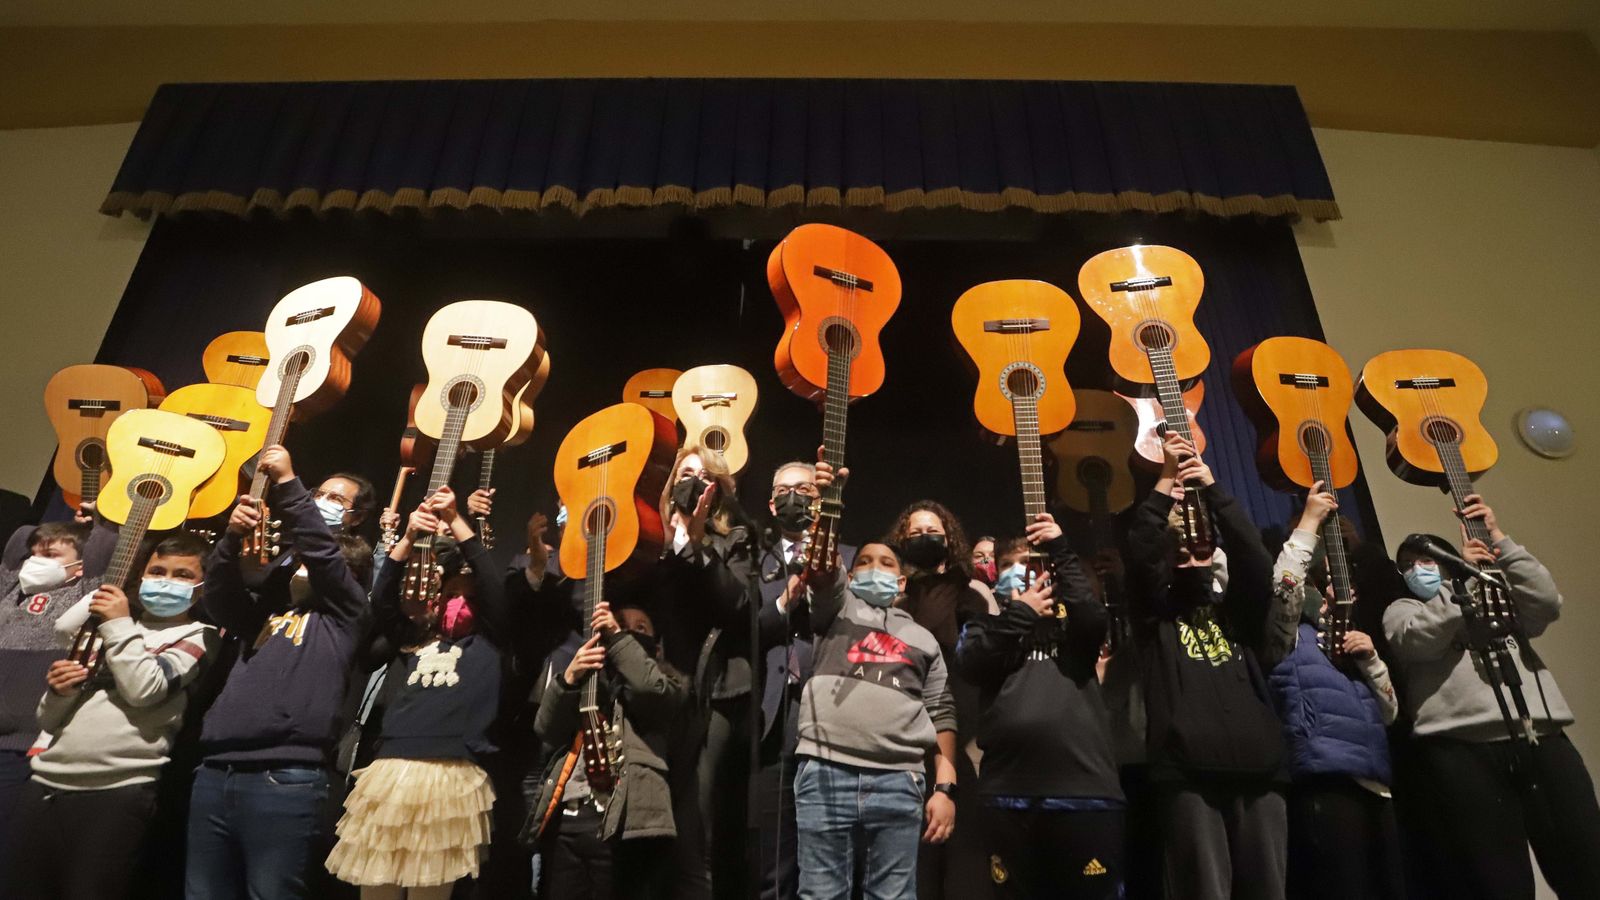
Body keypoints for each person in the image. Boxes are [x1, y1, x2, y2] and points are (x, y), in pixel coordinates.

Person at [1383, 494, 1600, 899]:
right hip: (1461, 750)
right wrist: (1458, 588)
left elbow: (1545, 604)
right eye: (1408, 564)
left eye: (1427, 559)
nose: (1417, 569)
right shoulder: (1402, 608)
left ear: (1449, 561)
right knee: (1496, 880)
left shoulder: (1491, 589)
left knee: (1585, 858)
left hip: (1539, 735)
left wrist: (1499, 539)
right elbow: (1415, 642)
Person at [187, 445, 374, 900]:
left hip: (285, 778)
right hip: (215, 770)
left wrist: (290, 484)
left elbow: (325, 558)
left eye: (313, 564)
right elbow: (219, 597)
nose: (303, 568)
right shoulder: (266, 613)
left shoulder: (346, 615)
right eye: (299, 562)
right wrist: (230, 539)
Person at [5, 530, 217, 900]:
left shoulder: (199, 635)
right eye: (157, 571)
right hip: (46, 783)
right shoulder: (109, 628)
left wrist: (119, 624)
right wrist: (59, 692)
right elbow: (49, 720)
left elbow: (144, 688)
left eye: (182, 575)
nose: (166, 582)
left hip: (116, 792)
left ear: (201, 586)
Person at [1124, 433, 1285, 900]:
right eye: (1181, 555)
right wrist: (1166, 479)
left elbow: (1255, 558)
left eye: (1200, 552)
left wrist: (1213, 489)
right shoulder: (1156, 615)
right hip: (1188, 774)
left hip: (1263, 772)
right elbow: (1140, 553)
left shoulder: (1239, 611)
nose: (1193, 561)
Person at [326, 487, 508, 899]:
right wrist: (406, 540)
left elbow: (493, 585)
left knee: (430, 889)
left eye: (468, 597)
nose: (459, 603)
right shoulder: (411, 638)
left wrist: (458, 521)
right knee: (376, 886)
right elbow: (383, 603)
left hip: (451, 773)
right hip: (389, 769)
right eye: (450, 595)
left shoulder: (488, 642)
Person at [794, 454, 959, 900]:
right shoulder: (835, 608)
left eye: (885, 563)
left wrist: (945, 788)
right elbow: (822, 569)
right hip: (826, 772)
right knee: (821, 894)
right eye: (863, 562)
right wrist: (828, 504)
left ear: (902, 582)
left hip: (899, 780)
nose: (872, 568)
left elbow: (942, 713)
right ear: (850, 575)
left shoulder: (923, 639)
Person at [956, 511, 1126, 899]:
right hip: (1007, 795)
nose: (1018, 572)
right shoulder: (984, 625)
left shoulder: (1074, 629)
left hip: (1084, 793)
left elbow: (1092, 614)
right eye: (1007, 566)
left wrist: (1060, 547)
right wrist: (1022, 614)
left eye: (1027, 564)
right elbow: (973, 662)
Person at [1265, 483, 1403, 900]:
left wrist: (1372, 660)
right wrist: (1309, 520)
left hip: (1375, 782)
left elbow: (1390, 712)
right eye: (1320, 577)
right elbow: (1285, 587)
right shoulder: (1288, 635)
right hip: (1325, 781)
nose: (1333, 586)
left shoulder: (1348, 637)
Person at [533, 597, 688, 900]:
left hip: (627, 824)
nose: (627, 630)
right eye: (620, 622)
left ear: (656, 644)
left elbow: (648, 689)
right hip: (570, 823)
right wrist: (568, 679)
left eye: (639, 627)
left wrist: (617, 636)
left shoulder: (668, 678)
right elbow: (546, 728)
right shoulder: (591, 680)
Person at [655, 445, 757, 900]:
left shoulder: (736, 538)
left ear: (716, 490)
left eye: (702, 475)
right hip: (654, 691)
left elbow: (736, 604)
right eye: (684, 472)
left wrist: (695, 543)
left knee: (697, 822)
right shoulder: (647, 538)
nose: (691, 480)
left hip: (708, 693)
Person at [883, 500, 994, 900]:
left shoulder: (973, 593)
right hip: (909, 732)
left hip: (965, 728)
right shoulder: (895, 599)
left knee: (967, 862)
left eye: (932, 532)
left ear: (949, 540)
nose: (923, 539)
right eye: (913, 534)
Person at [754, 460, 854, 900]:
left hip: (834, 714)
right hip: (772, 718)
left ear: (822, 499)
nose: (793, 497)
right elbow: (744, 633)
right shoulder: (752, 562)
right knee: (772, 862)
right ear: (771, 503)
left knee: (829, 859)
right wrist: (781, 605)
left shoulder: (851, 557)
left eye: (805, 490)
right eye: (783, 490)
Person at [0, 516, 113, 862]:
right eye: (33, 556)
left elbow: (103, 548)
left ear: (79, 566)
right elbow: (18, 540)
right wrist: (41, 540)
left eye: (49, 556)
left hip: (23, 747)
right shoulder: (11, 591)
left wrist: (97, 520)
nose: (35, 562)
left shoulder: (81, 593)